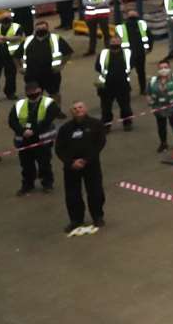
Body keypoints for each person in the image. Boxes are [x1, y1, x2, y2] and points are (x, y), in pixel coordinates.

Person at [55, 100, 106, 236]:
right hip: (71, 167)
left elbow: (100, 144)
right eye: (75, 108)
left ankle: (97, 217)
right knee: (73, 195)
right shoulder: (65, 129)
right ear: (71, 112)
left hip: (91, 165)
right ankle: (76, 220)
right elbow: (59, 148)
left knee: (95, 191)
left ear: (85, 108)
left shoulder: (96, 124)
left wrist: (86, 160)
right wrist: (70, 162)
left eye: (80, 107)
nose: (78, 110)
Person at [9, 81, 62, 196]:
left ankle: (47, 183)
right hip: (24, 140)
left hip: (42, 139)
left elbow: (48, 120)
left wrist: (33, 131)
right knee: (26, 164)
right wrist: (23, 131)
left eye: (34, 92)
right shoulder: (19, 104)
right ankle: (27, 184)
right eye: (29, 92)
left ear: (40, 90)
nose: (32, 94)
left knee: (44, 163)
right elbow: (12, 121)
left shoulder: (49, 103)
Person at [95, 27, 135, 131]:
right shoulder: (103, 53)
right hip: (106, 86)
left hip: (123, 84)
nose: (115, 42)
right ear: (109, 43)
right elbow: (97, 67)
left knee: (125, 107)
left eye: (117, 40)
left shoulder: (127, 53)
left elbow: (131, 65)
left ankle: (127, 123)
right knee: (106, 108)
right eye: (113, 41)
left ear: (121, 42)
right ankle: (106, 125)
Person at [22, 19, 70, 99]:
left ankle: (56, 111)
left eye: (43, 28)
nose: (40, 30)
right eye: (38, 29)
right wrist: (19, 67)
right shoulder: (28, 40)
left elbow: (68, 53)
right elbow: (16, 55)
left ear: (47, 29)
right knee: (34, 96)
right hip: (32, 74)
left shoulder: (56, 39)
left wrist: (61, 65)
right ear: (35, 29)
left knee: (55, 94)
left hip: (51, 74)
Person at [148, 59, 173, 154]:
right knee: (161, 127)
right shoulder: (153, 81)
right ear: (158, 70)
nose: (163, 69)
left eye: (165, 67)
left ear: (169, 68)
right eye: (161, 68)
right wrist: (151, 105)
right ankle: (163, 144)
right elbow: (148, 94)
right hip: (159, 108)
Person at [0, 12, 24, 99]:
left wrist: (5, 38)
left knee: (11, 76)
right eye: (4, 18)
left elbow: (19, 37)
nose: (5, 20)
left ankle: (10, 93)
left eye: (7, 18)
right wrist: (0, 41)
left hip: (10, 56)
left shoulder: (17, 27)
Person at [119, 3, 151, 94]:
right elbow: (150, 37)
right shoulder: (142, 24)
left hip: (127, 53)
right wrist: (148, 48)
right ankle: (143, 89)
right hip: (140, 52)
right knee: (141, 72)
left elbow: (116, 40)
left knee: (125, 72)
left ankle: (126, 88)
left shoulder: (122, 27)